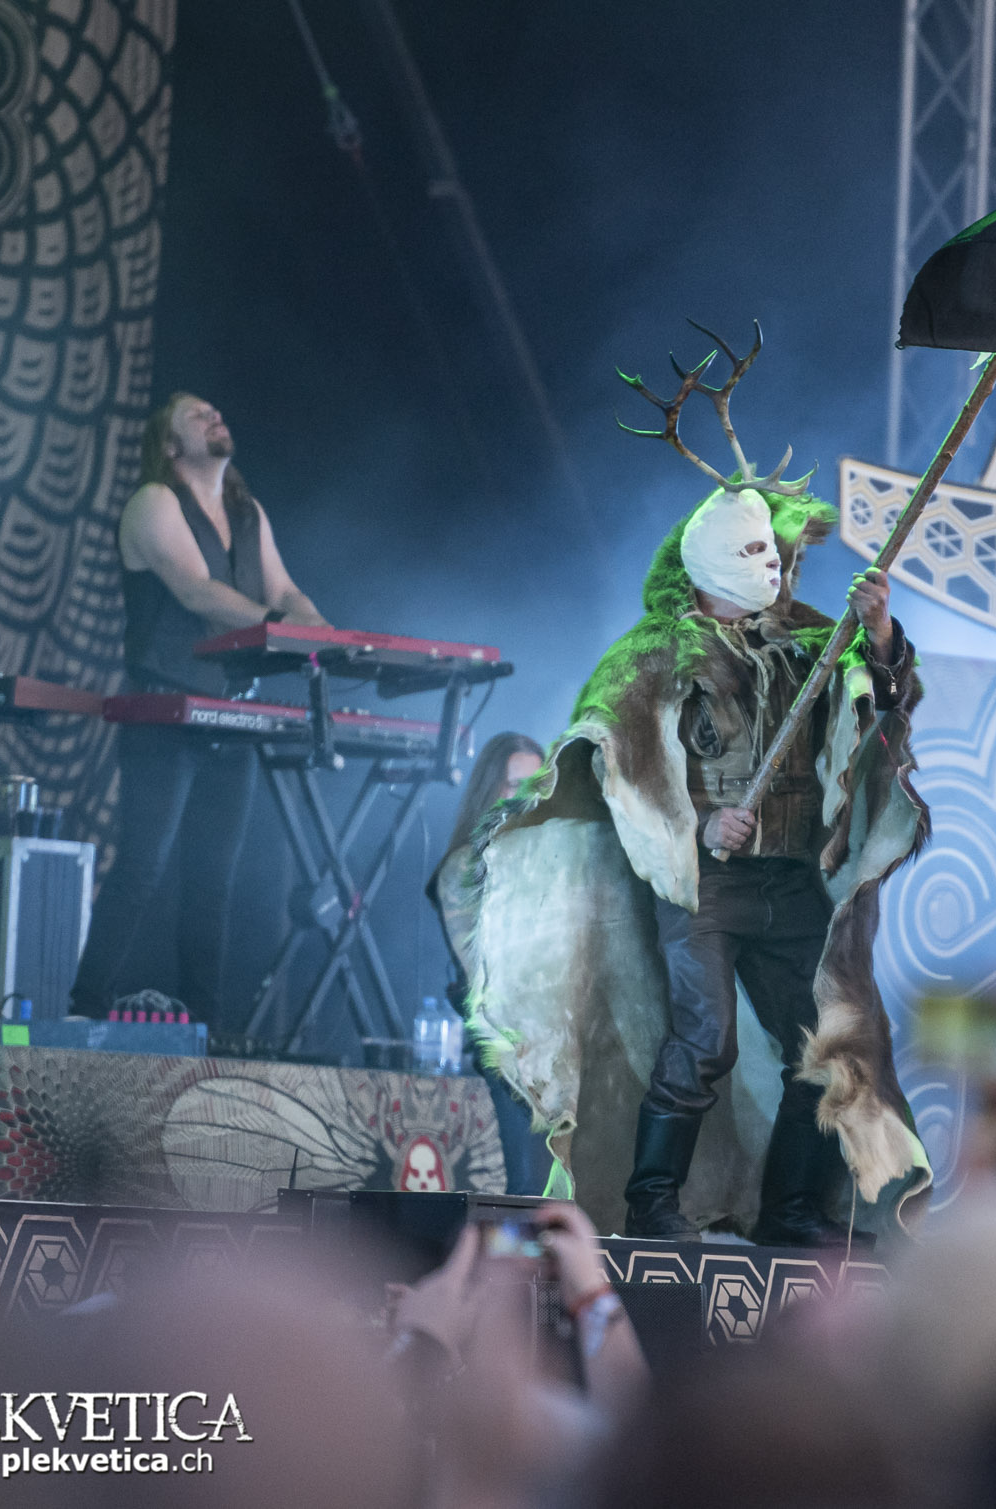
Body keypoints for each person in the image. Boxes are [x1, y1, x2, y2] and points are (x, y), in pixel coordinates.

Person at [446, 384, 932, 1246]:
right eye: (749, 551)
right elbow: (622, 760)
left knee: (827, 1049)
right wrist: (700, 828)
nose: (771, 566)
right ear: (710, 563)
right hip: (704, 885)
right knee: (705, 1042)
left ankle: (792, 1210)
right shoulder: (656, 654)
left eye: (771, 549)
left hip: (792, 881)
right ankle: (651, 1201)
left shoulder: (813, 639)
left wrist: (881, 634)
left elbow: (886, 699)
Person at [71, 393, 325, 1030]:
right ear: (169, 445)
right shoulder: (153, 501)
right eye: (195, 415)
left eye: (216, 411)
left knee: (214, 879)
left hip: (231, 713)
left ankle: (203, 1029)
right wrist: (280, 632)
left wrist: (326, 634)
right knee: (143, 865)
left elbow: (285, 589)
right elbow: (195, 590)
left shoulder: (247, 511)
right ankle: (83, 1009)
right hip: (164, 707)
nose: (214, 416)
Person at [428, 731, 552, 1193]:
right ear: (490, 792)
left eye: (535, 785)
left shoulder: (553, 860)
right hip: (511, 1049)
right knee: (530, 1186)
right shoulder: (463, 868)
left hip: (565, 1048)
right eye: (513, 785)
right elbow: (483, 975)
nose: (525, 798)